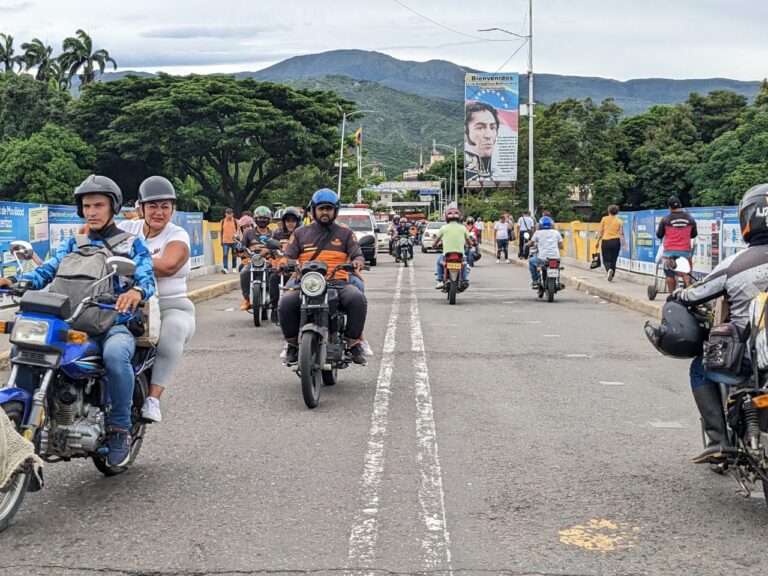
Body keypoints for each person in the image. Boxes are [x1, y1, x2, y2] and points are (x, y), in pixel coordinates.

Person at [0, 175, 155, 466]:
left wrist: (136, 290)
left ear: (113, 208)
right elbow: (45, 272)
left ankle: (120, 428)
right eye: (87, 206)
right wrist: (13, 281)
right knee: (25, 350)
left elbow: (147, 276)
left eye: (99, 205)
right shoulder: (73, 243)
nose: (92, 211)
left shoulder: (131, 243)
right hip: (70, 319)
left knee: (115, 354)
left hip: (112, 323)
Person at [660, 183, 768, 463]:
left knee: (700, 368)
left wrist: (677, 294)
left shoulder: (736, 265)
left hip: (751, 358)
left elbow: (694, 293)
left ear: (747, 221)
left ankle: (718, 440)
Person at [117, 176, 195, 424]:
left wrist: (125, 262)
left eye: (165, 206)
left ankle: (153, 398)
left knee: (173, 330)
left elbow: (169, 265)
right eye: (152, 206)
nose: (158, 212)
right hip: (126, 304)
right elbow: (90, 236)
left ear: (173, 209)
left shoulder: (178, 234)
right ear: (140, 208)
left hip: (170, 305)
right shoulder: (127, 229)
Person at [277, 189, 367, 366]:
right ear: (313, 210)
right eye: (321, 208)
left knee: (358, 299)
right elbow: (288, 256)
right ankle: (292, 345)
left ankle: (353, 343)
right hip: (306, 281)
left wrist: (357, 261)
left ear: (335, 211)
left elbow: (358, 254)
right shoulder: (300, 233)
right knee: (285, 303)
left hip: (337, 281)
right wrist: (283, 263)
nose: (325, 212)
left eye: (329, 208)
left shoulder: (346, 233)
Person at [657, 196, 697, 293]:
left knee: (670, 275)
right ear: (680, 205)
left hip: (669, 254)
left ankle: (673, 296)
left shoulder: (665, 219)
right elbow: (694, 235)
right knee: (686, 273)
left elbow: (659, 235)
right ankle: (687, 291)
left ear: (669, 207)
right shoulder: (690, 219)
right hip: (685, 252)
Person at [269, 207, 301, 322]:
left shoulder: (302, 234)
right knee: (273, 278)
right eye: (288, 221)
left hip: (298, 269)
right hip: (282, 267)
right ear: (284, 222)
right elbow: (271, 247)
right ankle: (274, 307)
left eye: (293, 221)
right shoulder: (277, 234)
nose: (291, 223)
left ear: (297, 222)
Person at [238, 207, 273, 311]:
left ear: (268, 219)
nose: (262, 220)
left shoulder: (273, 234)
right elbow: (242, 246)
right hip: (253, 261)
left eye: (264, 218)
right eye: (259, 218)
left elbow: (278, 246)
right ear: (255, 219)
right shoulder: (248, 233)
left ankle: (272, 297)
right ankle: (247, 299)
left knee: (274, 274)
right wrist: (241, 250)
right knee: (244, 272)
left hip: (268, 261)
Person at [433, 207, 471, 289]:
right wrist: (471, 245)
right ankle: (464, 279)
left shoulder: (443, 228)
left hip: (447, 254)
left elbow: (437, 239)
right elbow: (468, 241)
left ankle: (440, 281)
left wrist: (434, 245)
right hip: (460, 254)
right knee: (464, 264)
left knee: (439, 263)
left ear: (446, 218)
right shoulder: (463, 228)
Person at [464, 102, 499, 183]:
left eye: (492, 127)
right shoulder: (467, 171)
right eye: (480, 128)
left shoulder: (501, 170)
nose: (488, 135)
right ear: (466, 130)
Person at [526, 216, 563, 287]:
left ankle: (535, 281)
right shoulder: (556, 232)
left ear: (540, 225)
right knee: (557, 267)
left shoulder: (538, 233)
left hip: (542, 258)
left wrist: (526, 244)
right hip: (555, 257)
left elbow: (531, 243)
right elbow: (561, 246)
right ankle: (557, 282)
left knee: (531, 261)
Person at [596, 204, 627, 281]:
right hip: (616, 242)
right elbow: (621, 234)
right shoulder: (619, 221)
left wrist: (597, 241)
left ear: (609, 211)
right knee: (614, 259)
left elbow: (601, 232)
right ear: (616, 212)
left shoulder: (604, 219)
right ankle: (611, 276)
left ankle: (609, 270)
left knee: (605, 260)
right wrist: (624, 244)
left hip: (606, 241)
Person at [220, 208, 238, 274]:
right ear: (225, 214)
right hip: (225, 241)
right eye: (227, 213)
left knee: (234, 255)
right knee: (225, 254)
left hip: (234, 241)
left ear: (232, 214)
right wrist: (221, 240)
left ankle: (234, 267)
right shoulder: (222, 221)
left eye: (230, 213)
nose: (229, 215)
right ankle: (225, 268)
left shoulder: (235, 221)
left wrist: (239, 240)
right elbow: (221, 231)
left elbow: (238, 230)